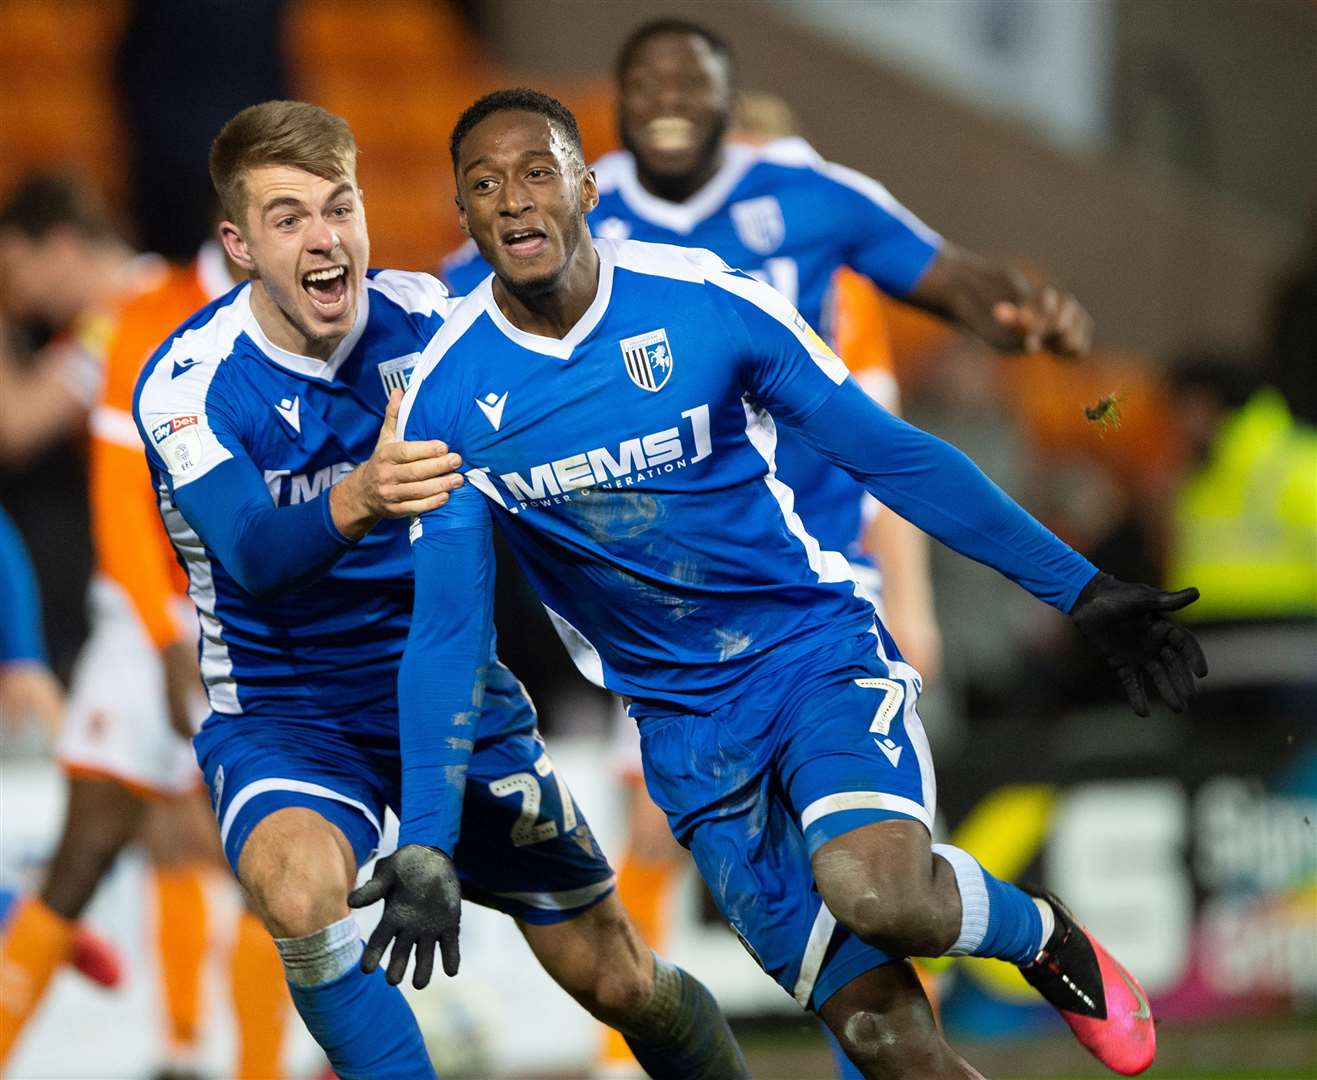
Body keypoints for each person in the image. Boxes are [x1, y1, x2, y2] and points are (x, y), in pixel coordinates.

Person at [380, 90, 1208, 1080]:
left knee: (880, 892)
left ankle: (1044, 937)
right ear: (462, 214)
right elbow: (447, 631)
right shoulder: (443, 392)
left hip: (811, 657)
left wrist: (1079, 589)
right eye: (484, 184)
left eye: (536, 173)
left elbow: (891, 455)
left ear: (586, 189)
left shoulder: (704, 303)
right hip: (684, 728)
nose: (512, 201)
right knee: (884, 1042)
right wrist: (426, 842)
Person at [132, 100, 747, 1080]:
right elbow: (251, 552)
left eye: (339, 208)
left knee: (618, 978)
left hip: (455, 694)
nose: (325, 240)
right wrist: (363, 493)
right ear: (239, 245)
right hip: (290, 711)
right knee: (297, 893)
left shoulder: (440, 329)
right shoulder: (187, 385)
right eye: (288, 220)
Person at [0, 238, 294, 1078]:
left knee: (268, 858)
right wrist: (167, 640)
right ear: (232, 220)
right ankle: (177, 1045)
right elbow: (121, 493)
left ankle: (227, 1059)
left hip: (263, 611)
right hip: (146, 621)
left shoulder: (321, 317)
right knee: (88, 847)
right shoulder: (139, 315)